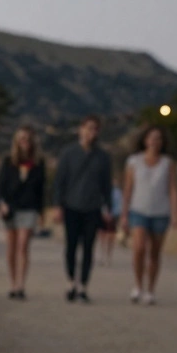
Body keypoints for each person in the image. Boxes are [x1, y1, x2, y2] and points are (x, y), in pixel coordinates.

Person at [52, 115, 112, 304]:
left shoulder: (103, 157)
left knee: (88, 248)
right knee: (71, 247)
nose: (90, 132)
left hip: (92, 207)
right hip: (71, 206)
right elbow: (60, 181)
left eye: (94, 129)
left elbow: (106, 185)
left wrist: (108, 207)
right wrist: (57, 205)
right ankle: (71, 282)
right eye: (88, 128)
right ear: (80, 129)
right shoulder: (69, 153)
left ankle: (83, 286)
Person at [121, 126, 177, 305]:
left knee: (155, 252)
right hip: (138, 210)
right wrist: (124, 214)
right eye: (152, 138)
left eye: (159, 139)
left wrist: (175, 212)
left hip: (160, 212)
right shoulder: (134, 162)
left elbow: (172, 189)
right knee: (139, 248)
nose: (155, 142)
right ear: (145, 141)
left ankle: (150, 289)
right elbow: (128, 188)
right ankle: (138, 285)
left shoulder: (167, 163)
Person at [0, 126, 45, 300]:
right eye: (21, 139)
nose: (25, 142)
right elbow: (1, 186)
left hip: (29, 208)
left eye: (27, 138)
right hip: (10, 208)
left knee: (23, 245)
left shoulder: (38, 163)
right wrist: (2, 204)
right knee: (11, 248)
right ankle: (12, 283)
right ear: (17, 142)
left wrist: (40, 212)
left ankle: (21, 284)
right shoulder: (8, 161)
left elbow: (41, 189)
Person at [100, 177, 123, 265]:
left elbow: (120, 204)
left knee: (111, 236)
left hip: (113, 215)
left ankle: (109, 256)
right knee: (103, 235)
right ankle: (103, 254)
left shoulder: (117, 192)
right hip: (103, 214)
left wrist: (113, 215)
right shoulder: (102, 190)